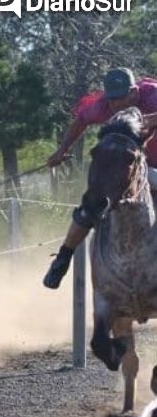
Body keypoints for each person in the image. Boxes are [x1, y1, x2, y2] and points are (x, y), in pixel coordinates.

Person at [43, 67, 157, 289]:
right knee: (94, 201)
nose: (116, 105)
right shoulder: (105, 105)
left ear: (134, 91)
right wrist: (61, 150)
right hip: (128, 165)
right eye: (112, 100)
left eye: (121, 98)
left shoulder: (153, 95)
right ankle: (63, 258)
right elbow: (80, 121)